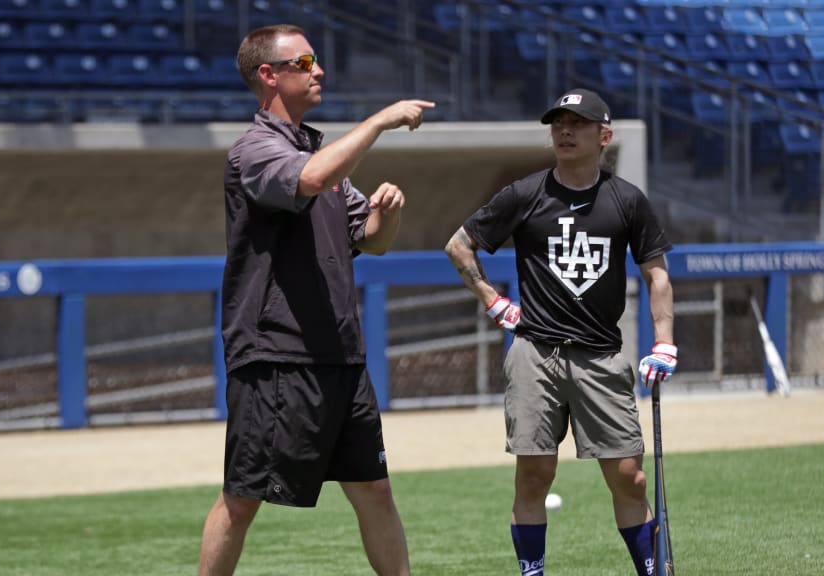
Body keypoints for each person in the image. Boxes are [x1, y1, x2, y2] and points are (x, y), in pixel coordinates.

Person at [197, 24, 435, 576]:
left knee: (374, 488)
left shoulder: (320, 153)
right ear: (269, 75)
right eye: (304, 62)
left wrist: (387, 213)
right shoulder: (254, 149)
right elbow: (306, 180)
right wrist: (378, 122)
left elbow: (370, 241)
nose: (319, 70)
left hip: (340, 355)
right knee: (243, 497)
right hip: (275, 354)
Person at [444, 88, 676, 576]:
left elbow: (657, 274)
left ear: (604, 136)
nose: (564, 131)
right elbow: (460, 245)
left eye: (578, 123)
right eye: (558, 123)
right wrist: (493, 302)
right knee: (533, 477)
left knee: (630, 479)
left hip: (601, 357)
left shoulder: (627, 200)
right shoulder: (525, 193)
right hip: (536, 354)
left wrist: (664, 342)